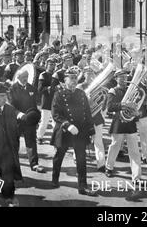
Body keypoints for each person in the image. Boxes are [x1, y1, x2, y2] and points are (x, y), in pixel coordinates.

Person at [50, 66, 96, 196]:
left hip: (80, 131)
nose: (74, 80)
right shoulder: (59, 94)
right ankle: (55, 179)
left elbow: (87, 113)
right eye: (71, 78)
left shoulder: (81, 94)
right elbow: (56, 113)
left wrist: (91, 130)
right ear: (65, 80)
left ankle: (83, 186)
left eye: (76, 78)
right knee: (59, 156)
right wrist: (67, 125)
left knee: (81, 159)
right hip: (65, 130)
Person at [105, 70, 142, 183]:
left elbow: (136, 105)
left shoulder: (132, 90)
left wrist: (136, 113)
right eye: (121, 77)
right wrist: (123, 104)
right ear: (116, 78)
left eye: (125, 76)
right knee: (115, 146)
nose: (124, 78)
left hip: (130, 123)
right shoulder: (113, 91)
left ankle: (136, 177)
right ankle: (109, 167)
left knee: (134, 151)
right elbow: (110, 107)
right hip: (118, 123)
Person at [9, 68, 45, 173]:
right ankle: (13, 165)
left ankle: (34, 164)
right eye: (23, 77)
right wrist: (18, 114)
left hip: (29, 120)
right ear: (18, 77)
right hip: (17, 120)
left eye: (26, 77)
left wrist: (36, 118)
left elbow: (35, 104)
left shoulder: (32, 88)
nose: (25, 79)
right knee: (14, 143)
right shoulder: (12, 89)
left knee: (31, 142)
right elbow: (11, 105)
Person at [77, 67, 106, 172]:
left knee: (98, 141)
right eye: (87, 73)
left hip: (97, 117)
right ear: (84, 75)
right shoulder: (80, 86)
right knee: (81, 140)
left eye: (91, 73)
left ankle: (101, 164)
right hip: (83, 118)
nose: (90, 75)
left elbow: (103, 100)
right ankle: (78, 159)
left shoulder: (99, 87)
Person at [36, 58, 56, 144]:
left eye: (53, 64)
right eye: (50, 64)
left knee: (55, 122)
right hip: (46, 100)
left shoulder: (56, 74)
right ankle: (39, 137)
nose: (51, 66)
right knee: (44, 121)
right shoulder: (43, 75)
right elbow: (39, 89)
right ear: (46, 65)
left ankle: (56, 138)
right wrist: (47, 88)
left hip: (55, 101)